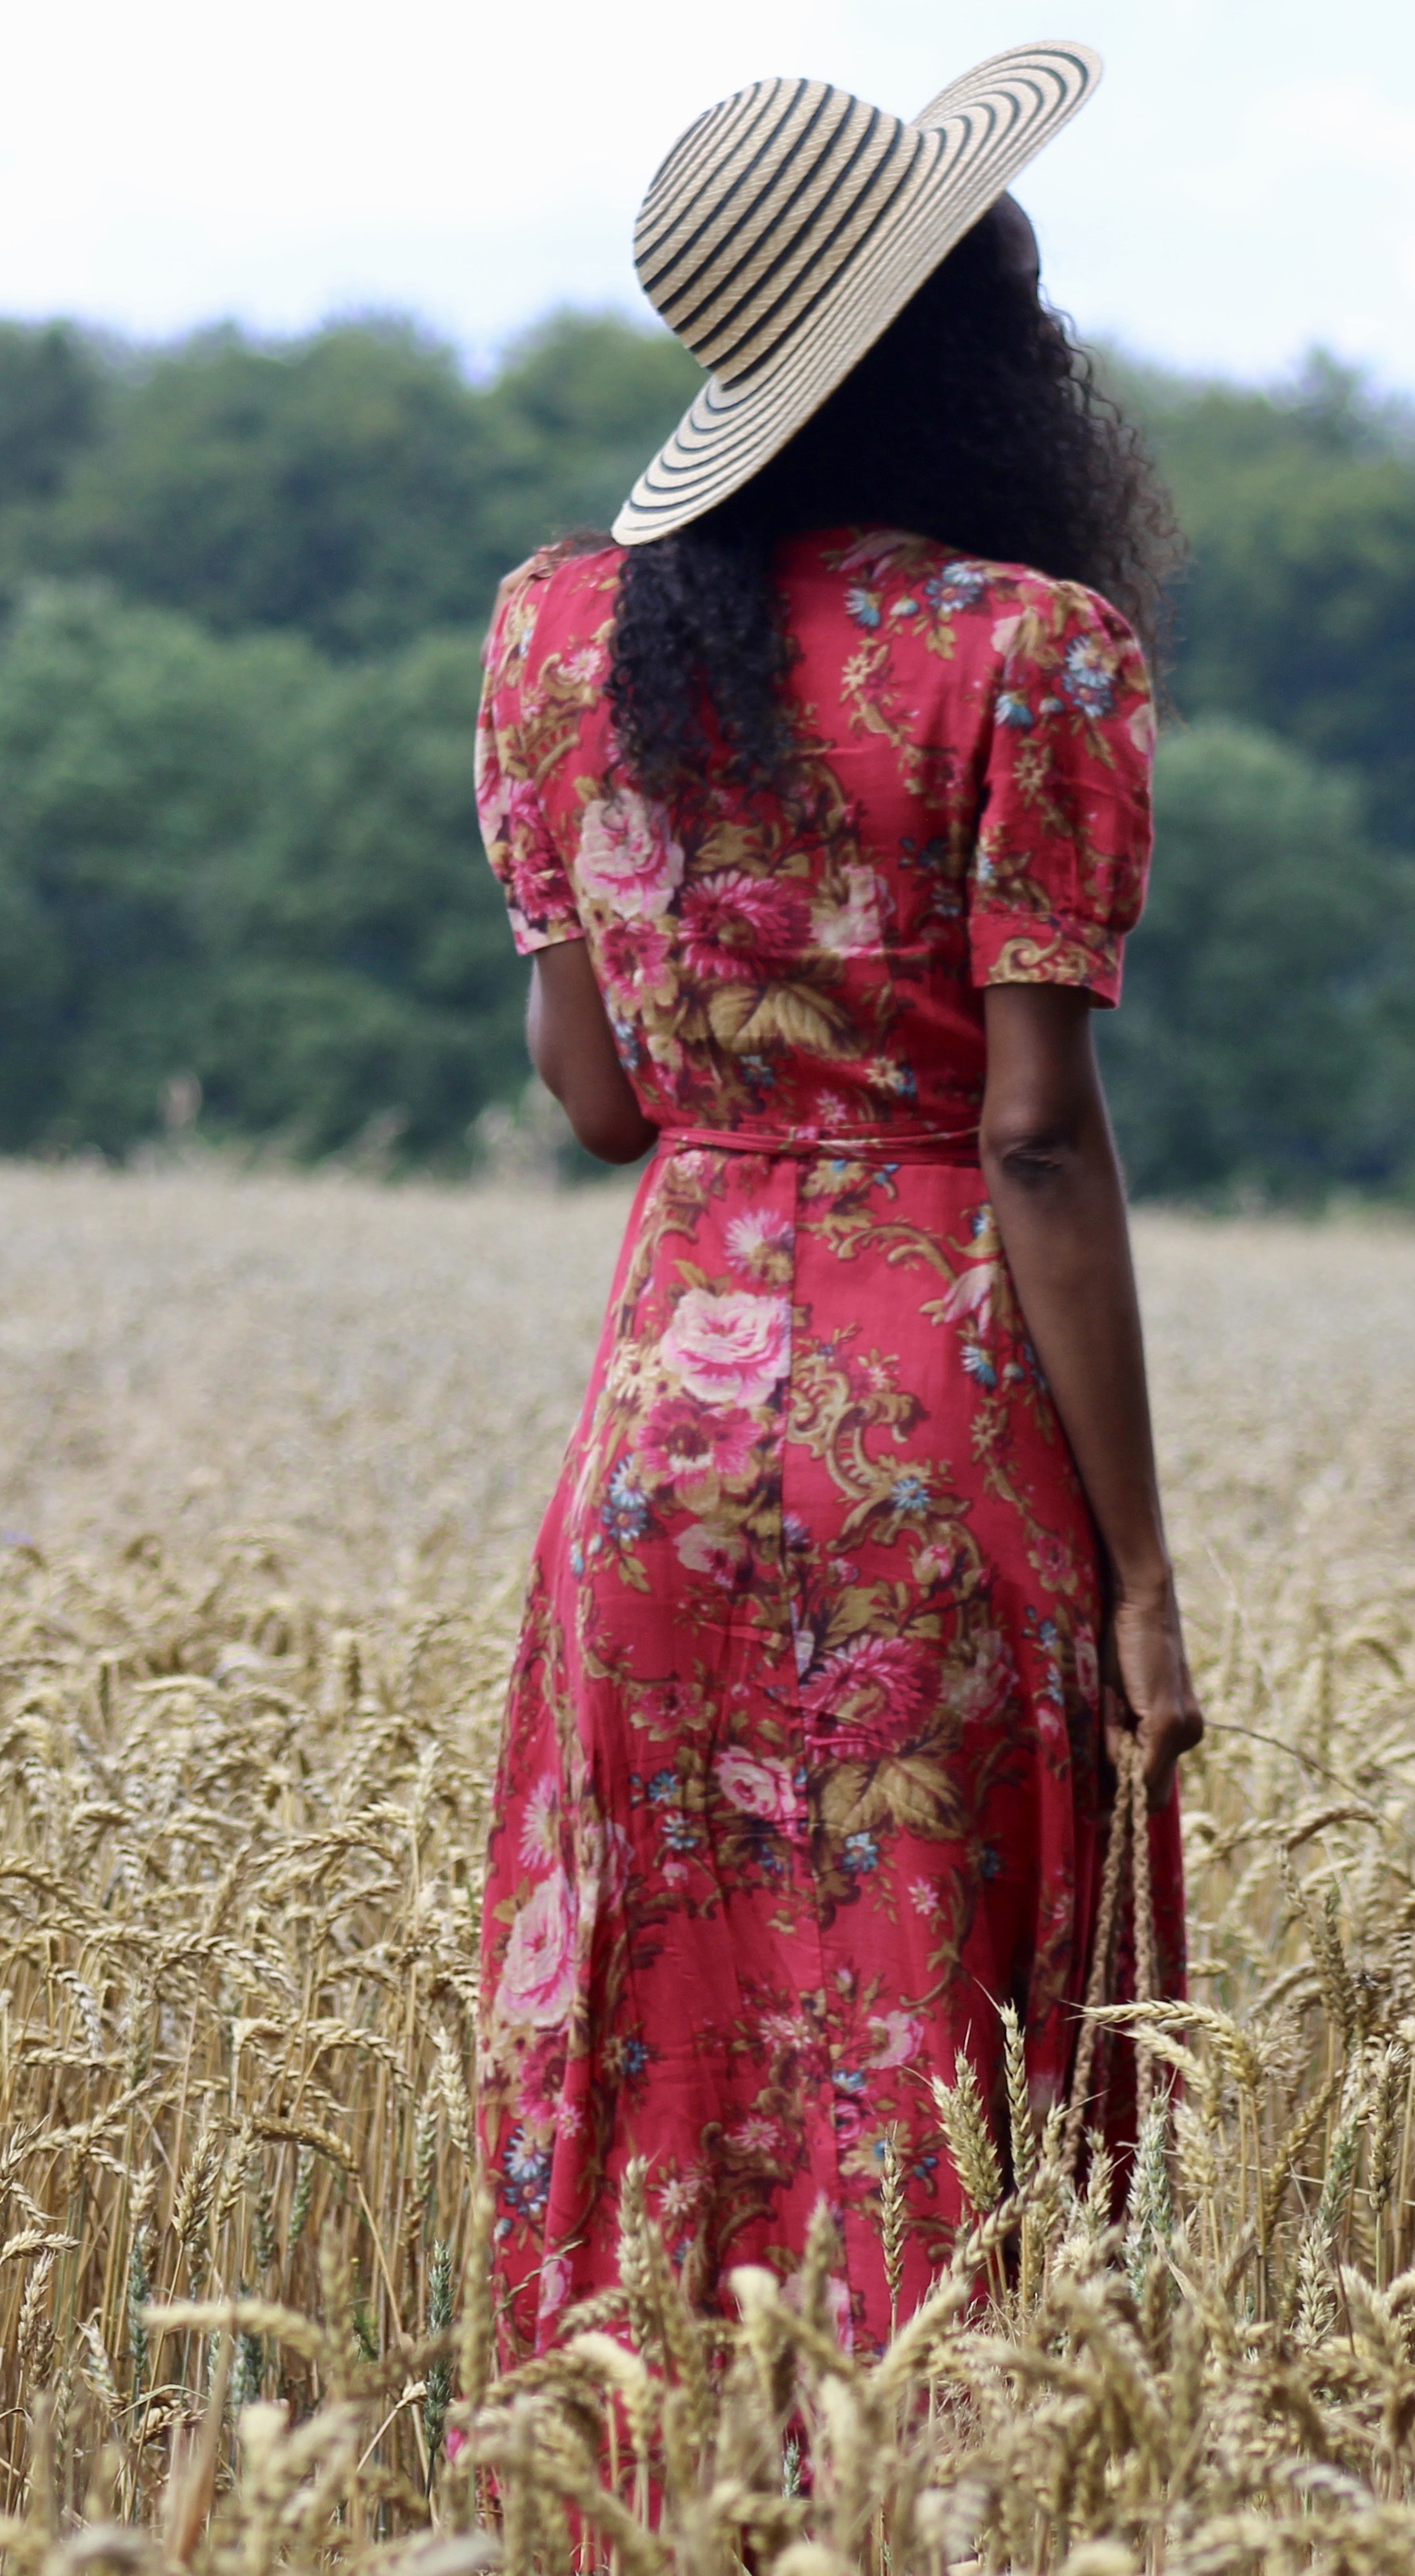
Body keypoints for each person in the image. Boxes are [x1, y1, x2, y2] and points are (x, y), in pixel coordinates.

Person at [474, 40, 1203, 2364]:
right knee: (940, 2043)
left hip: (659, 1448)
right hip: (941, 1431)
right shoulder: (1034, 650)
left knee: (667, 2033)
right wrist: (1154, 1579)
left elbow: (594, 1098)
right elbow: (1031, 1137)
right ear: (970, 330)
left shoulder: (553, 642)